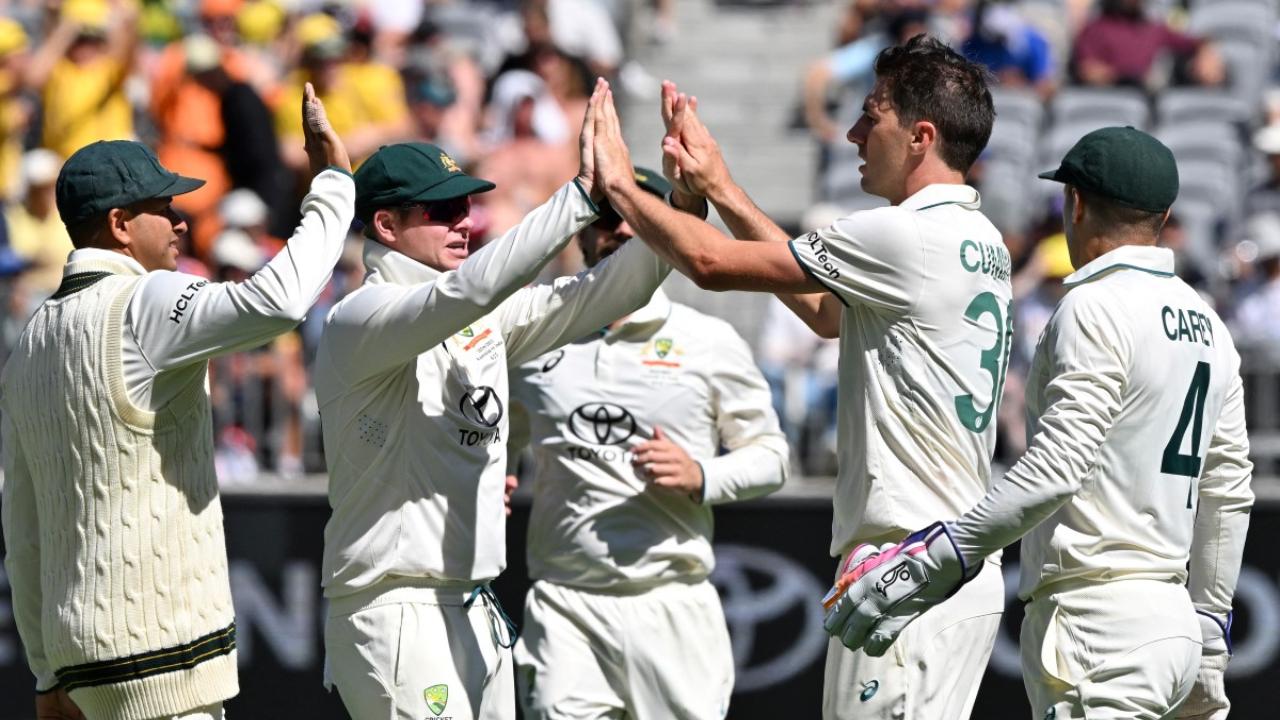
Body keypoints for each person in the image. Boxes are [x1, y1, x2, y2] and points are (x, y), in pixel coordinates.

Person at [591, 34, 1009, 720]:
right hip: (954, 566)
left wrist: (616, 186)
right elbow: (823, 312)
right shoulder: (979, 240)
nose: (851, 132)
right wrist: (720, 186)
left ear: (920, 136)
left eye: (871, 115)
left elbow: (712, 266)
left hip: (903, 562)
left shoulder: (904, 236)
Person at [824, 127, 1254, 720]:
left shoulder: (1093, 304)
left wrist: (934, 559)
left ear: (1074, 204)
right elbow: (1227, 492)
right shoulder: (1210, 325)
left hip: (1098, 626)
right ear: (1164, 215)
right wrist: (1206, 628)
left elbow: (1057, 467)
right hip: (1173, 621)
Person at [314, 79, 693, 720]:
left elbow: (604, 294)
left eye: (465, 206)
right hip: (395, 604)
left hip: (472, 602)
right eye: (440, 212)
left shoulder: (471, 309)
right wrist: (580, 195)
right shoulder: (363, 316)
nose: (464, 222)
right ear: (385, 224)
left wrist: (683, 205)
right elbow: (465, 295)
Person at [0, 83, 352, 720]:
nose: (184, 219)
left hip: (78, 663)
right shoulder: (147, 300)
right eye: (164, 206)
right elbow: (276, 303)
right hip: (162, 661)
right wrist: (331, 187)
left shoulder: (28, 343)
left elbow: (20, 526)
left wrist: (47, 671)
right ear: (120, 225)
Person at [505, 167, 789, 720]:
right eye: (610, 215)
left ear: (664, 230)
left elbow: (773, 457)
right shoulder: (534, 337)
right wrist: (492, 476)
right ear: (582, 233)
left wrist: (702, 476)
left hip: (671, 605)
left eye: (641, 215)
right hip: (564, 603)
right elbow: (498, 441)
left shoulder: (707, 341)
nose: (624, 229)